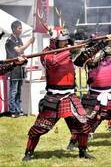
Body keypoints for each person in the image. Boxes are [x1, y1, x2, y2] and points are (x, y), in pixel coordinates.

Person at [22, 29, 93, 161]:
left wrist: (94, 44)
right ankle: (29, 152)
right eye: (62, 41)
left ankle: (82, 151)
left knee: (83, 124)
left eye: (66, 40)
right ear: (55, 41)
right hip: (53, 97)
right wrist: (69, 50)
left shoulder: (70, 51)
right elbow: (52, 62)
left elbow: (84, 58)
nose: (65, 42)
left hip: (70, 96)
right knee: (39, 128)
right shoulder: (46, 53)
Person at [67, 36, 111, 148]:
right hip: (94, 95)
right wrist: (103, 47)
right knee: (84, 121)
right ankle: (73, 142)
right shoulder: (89, 58)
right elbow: (92, 60)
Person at [5, 20, 35, 118]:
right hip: (13, 69)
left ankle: (18, 109)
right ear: (14, 29)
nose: (21, 30)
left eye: (21, 28)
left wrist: (24, 58)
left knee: (19, 91)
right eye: (19, 28)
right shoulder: (10, 40)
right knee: (13, 91)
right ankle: (12, 110)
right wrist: (29, 42)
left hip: (20, 69)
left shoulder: (18, 39)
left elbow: (21, 53)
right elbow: (19, 50)